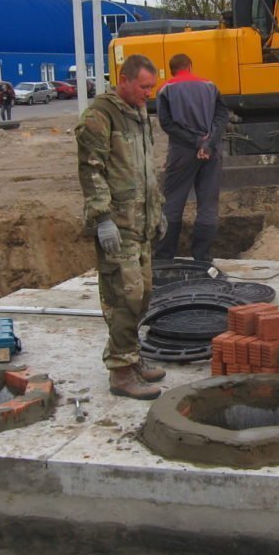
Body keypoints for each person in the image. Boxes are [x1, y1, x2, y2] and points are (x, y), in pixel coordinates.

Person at [75, 54, 168, 400]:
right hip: (118, 226)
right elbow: (91, 170)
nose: (149, 94)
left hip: (141, 223)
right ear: (125, 80)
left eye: (151, 88)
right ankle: (120, 373)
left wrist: (157, 211)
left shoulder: (138, 113)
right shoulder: (101, 115)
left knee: (142, 294)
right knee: (124, 297)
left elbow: (145, 169)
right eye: (144, 87)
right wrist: (102, 219)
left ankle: (132, 357)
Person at [154, 54, 229, 261]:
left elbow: (167, 124)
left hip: (181, 152)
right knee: (208, 204)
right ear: (190, 66)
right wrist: (208, 143)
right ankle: (202, 258)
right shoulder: (210, 86)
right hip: (211, 151)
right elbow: (223, 116)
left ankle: (164, 257)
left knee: (172, 203)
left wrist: (196, 142)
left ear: (171, 70)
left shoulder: (165, 89)